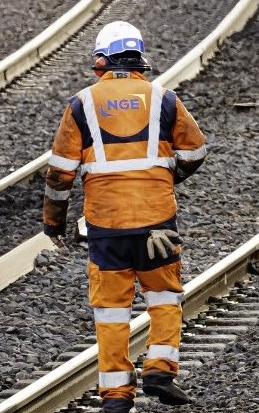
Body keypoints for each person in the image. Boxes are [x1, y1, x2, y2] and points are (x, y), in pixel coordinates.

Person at [44, 21, 206, 411]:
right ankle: (159, 370)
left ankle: (116, 398)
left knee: (111, 312)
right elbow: (195, 151)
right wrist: (165, 178)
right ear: (139, 59)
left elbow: (59, 172)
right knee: (165, 296)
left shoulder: (81, 104)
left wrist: (54, 222)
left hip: (106, 227)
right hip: (157, 223)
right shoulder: (164, 99)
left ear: (102, 60)